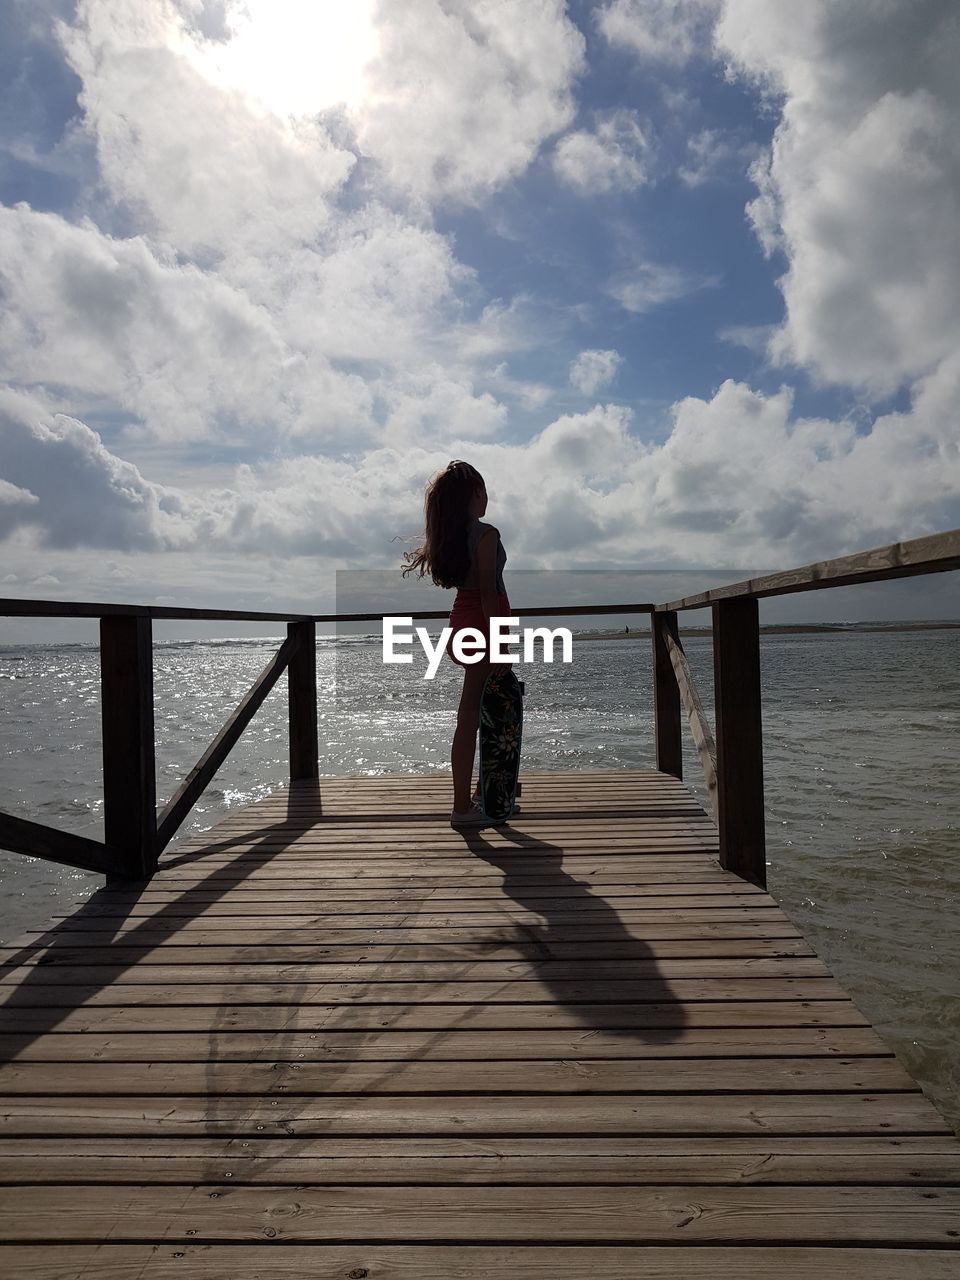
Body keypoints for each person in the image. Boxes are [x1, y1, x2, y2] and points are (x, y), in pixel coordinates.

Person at [402, 460, 510, 828]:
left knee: (482, 714)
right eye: (483, 490)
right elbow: (488, 595)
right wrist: (500, 643)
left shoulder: (452, 535)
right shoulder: (485, 534)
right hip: (480, 625)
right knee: (476, 718)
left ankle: (486, 798)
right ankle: (463, 808)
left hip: (463, 622)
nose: (487, 497)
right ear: (473, 494)